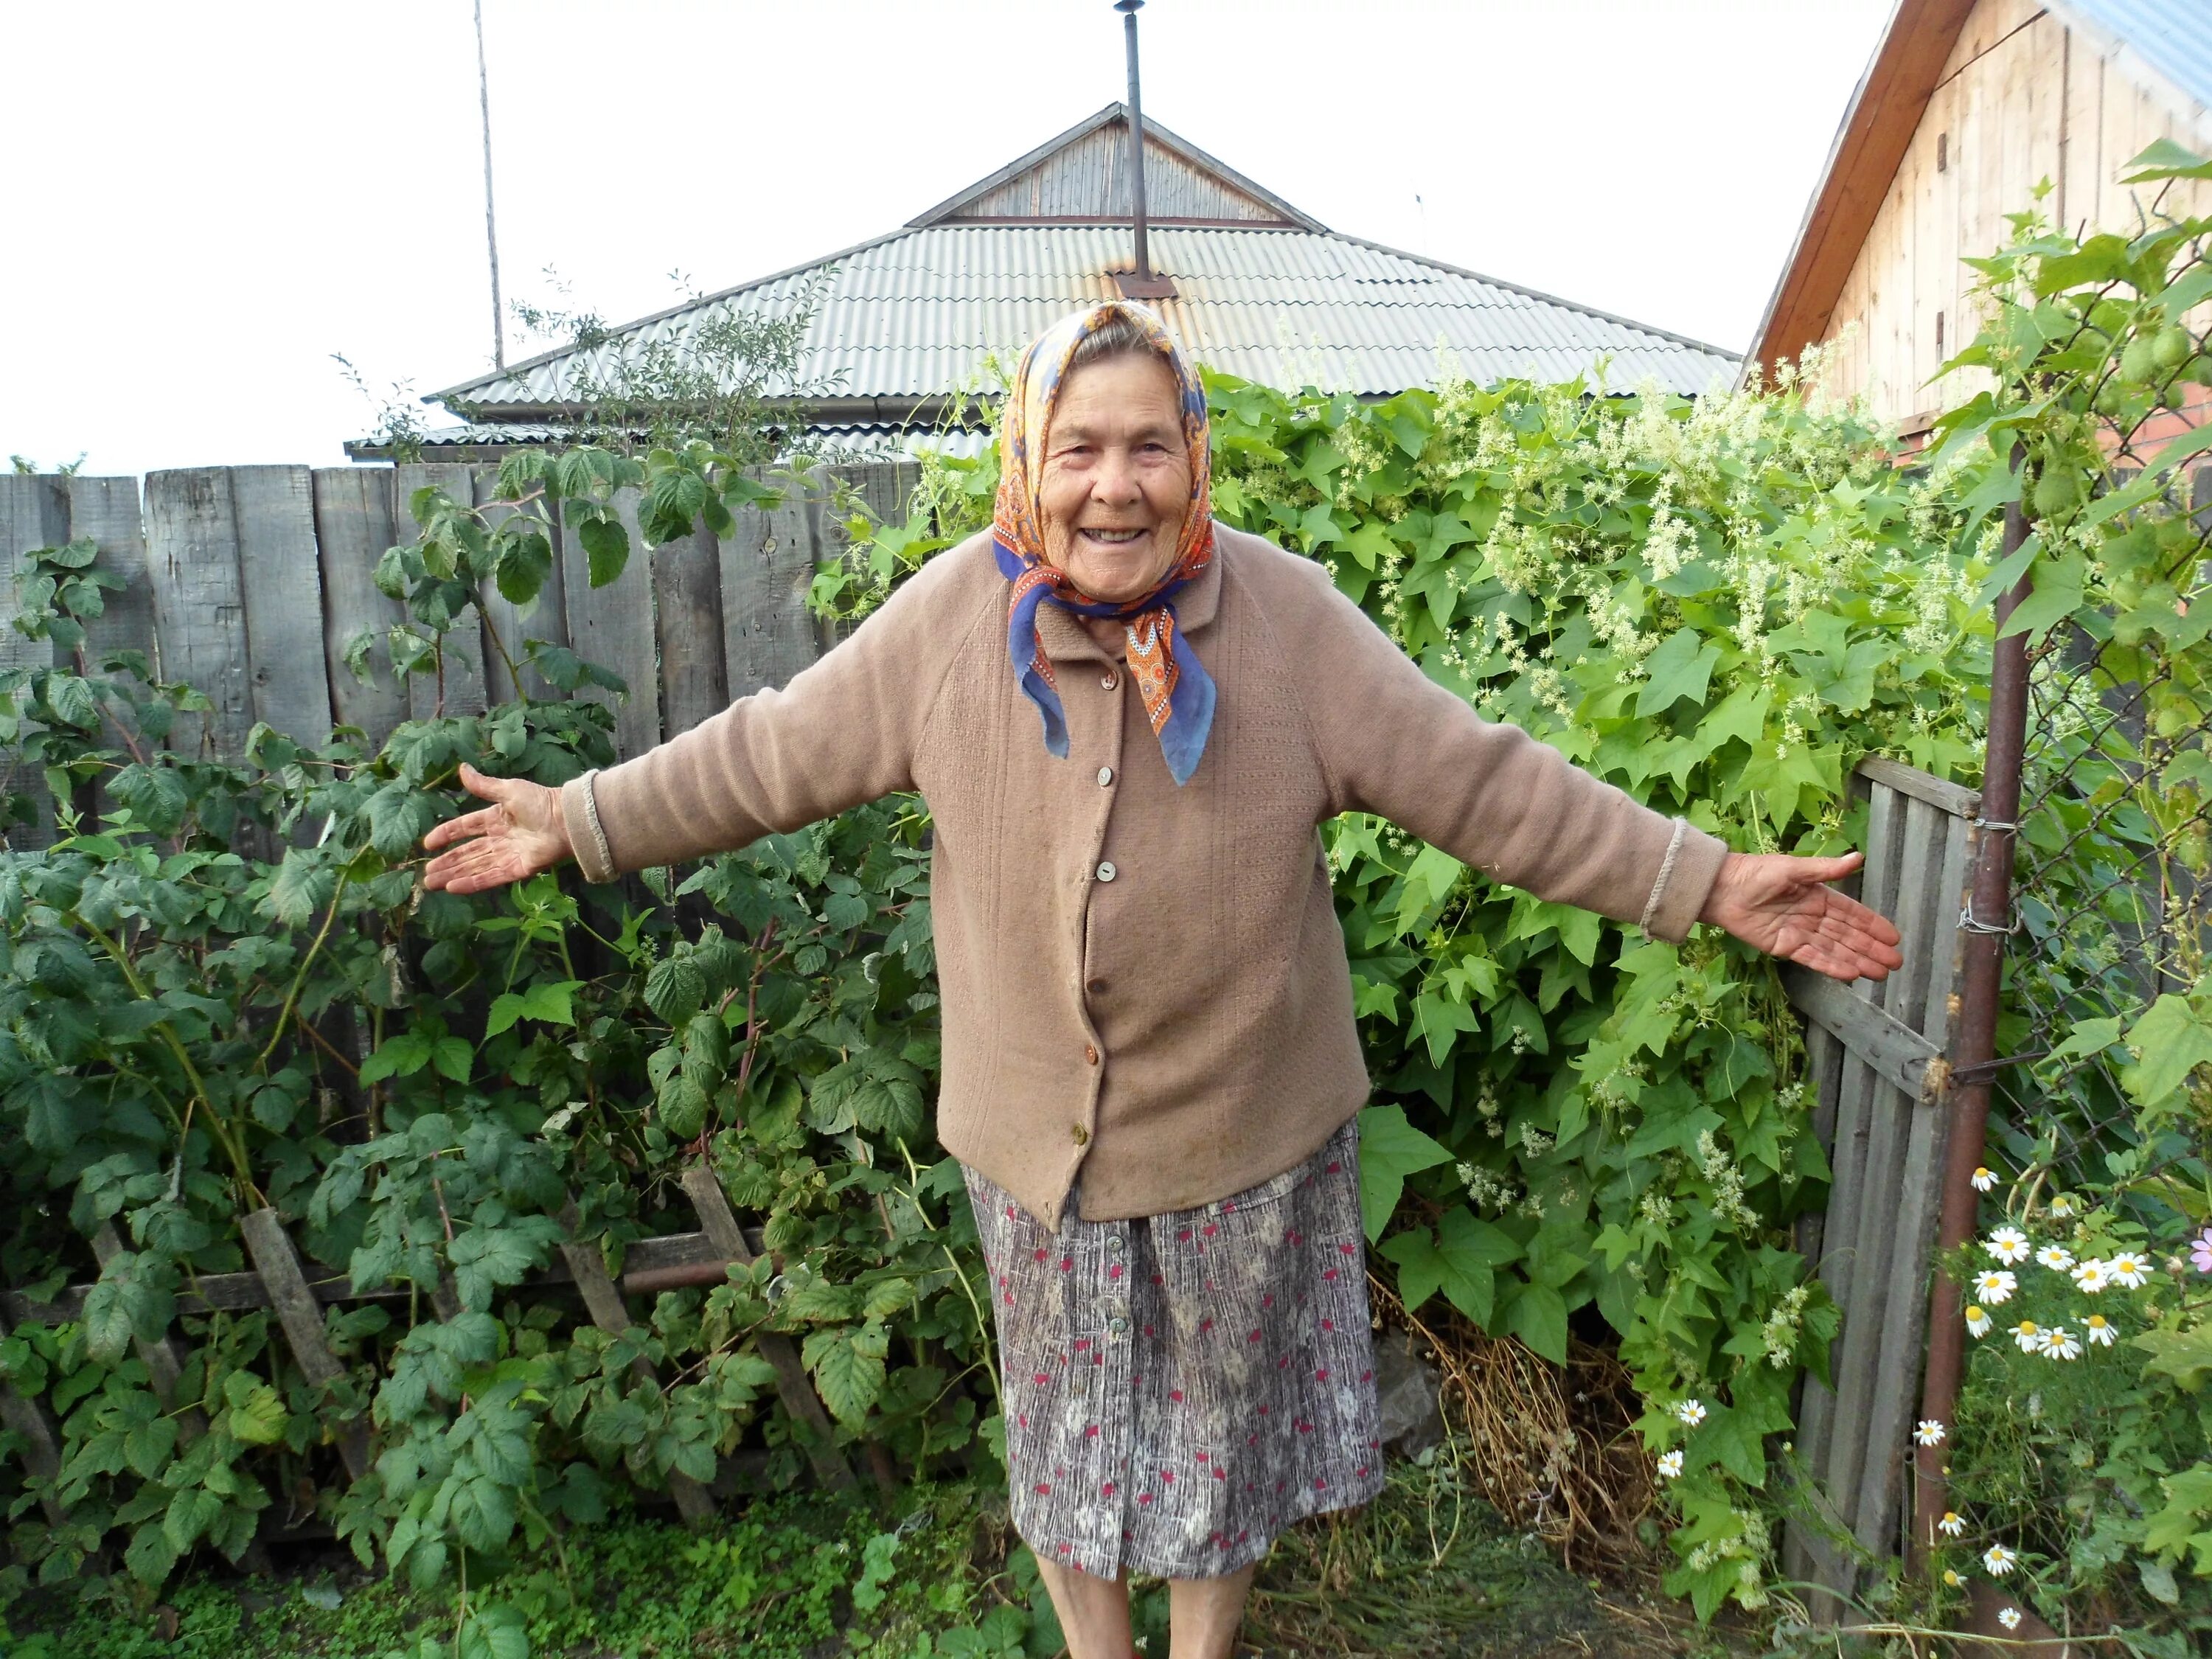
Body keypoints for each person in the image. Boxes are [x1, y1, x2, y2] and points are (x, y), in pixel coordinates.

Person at [421, 301, 1902, 1659]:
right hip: (1032, 1139)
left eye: (1146, 445)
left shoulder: (1288, 621)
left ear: (1195, 462)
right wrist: (587, 815)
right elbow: (771, 750)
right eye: (1077, 448)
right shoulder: (952, 624)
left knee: (1216, 1439)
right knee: (1066, 1446)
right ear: (1028, 460)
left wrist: (1701, 880)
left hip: (1241, 1133)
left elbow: (1481, 782)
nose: (1110, 485)